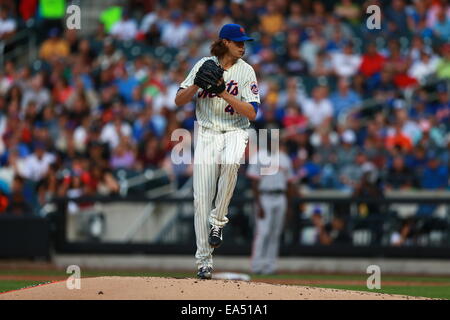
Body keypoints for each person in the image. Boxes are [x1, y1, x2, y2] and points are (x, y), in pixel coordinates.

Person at [175, 24, 260, 280]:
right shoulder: (204, 64)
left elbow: (253, 113)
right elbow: (178, 100)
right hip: (208, 133)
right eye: (237, 42)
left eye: (244, 42)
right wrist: (196, 86)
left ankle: (218, 221)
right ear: (224, 42)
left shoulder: (246, 71)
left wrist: (221, 92)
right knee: (200, 199)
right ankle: (204, 262)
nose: (242, 46)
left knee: (232, 163)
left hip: (236, 130)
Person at [247, 139, 297, 275]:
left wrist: (290, 206)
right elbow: (254, 183)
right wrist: (259, 204)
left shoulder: (285, 158)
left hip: (280, 197)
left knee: (275, 233)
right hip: (264, 196)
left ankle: (270, 266)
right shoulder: (258, 156)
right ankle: (256, 266)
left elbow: (290, 183)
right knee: (263, 232)